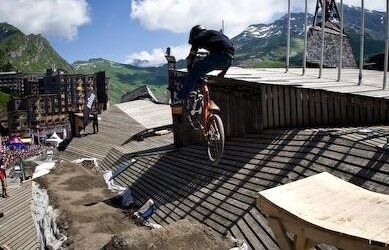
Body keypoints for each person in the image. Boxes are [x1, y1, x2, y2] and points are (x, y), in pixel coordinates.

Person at [176, 25, 235, 102]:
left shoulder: (198, 36)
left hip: (218, 56)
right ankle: (199, 83)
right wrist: (223, 72)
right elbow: (230, 56)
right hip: (228, 59)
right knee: (199, 66)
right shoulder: (214, 34)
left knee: (194, 73)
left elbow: (191, 56)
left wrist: (190, 68)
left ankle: (180, 98)